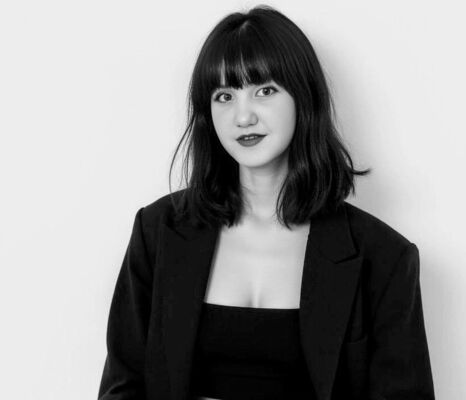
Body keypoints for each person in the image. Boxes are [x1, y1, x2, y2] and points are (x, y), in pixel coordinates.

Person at [98, 4, 435, 400]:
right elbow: (123, 387)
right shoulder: (158, 232)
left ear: (303, 97)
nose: (243, 116)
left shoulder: (383, 257)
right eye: (224, 95)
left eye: (265, 90)